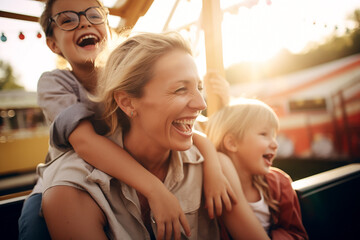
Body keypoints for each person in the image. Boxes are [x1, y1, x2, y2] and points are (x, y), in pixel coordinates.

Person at [18, 0, 236, 239]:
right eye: (67, 20)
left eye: (94, 15)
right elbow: (86, 143)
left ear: (107, 29)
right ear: (53, 44)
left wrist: (214, 166)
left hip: (119, 169)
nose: (84, 22)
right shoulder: (55, 84)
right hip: (67, 177)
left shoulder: (127, 78)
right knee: (36, 225)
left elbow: (190, 129)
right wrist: (155, 189)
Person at [38, 31, 270, 239]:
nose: (201, 104)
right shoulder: (72, 192)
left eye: (198, 87)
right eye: (180, 89)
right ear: (127, 102)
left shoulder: (214, 167)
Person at [205, 98, 309, 240]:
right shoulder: (213, 190)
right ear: (232, 143)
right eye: (264, 134)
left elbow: (297, 233)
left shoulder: (280, 184)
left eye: (274, 136)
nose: (275, 144)